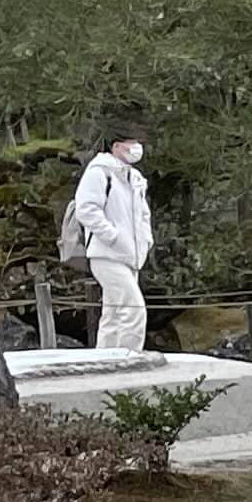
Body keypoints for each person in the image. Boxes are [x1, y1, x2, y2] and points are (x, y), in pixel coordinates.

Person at [59, 135, 156, 353]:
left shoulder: (135, 178)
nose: (136, 147)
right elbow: (87, 209)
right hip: (106, 254)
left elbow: (142, 215)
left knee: (113, 312)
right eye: (130, 143)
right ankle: (129, 358)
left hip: (131, 256)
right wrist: (112, 236)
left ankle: (104, 358)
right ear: (116, 146)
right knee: (133, 308)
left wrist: (146, 240)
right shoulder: (99, 172)